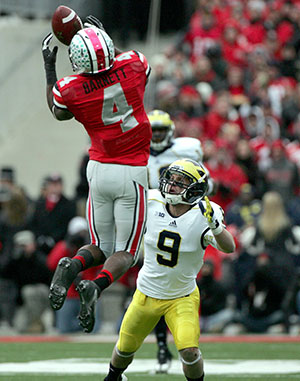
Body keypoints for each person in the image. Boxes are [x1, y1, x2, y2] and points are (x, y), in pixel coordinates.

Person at [41, 15, 152, 326]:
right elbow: (134, 67)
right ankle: (95, 285)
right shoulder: (134, 63)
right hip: (131, 171)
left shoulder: (71, 88)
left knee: (99, 246)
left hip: (99, 169)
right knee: (125, 252)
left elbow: (57, 110)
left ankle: (72, 265)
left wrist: (50, 67)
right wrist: (103, 40)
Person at [98, 158, 234, 380]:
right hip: (146, 293)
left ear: (194, 188)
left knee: (190, 352)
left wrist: (217, 228)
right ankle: (113, 377)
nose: (172, 185)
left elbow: (229, 247)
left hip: (182, 297)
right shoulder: (151, 201)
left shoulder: (205, 213)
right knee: (124, 349)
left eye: (180, 181)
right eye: (171, 179)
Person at [147, 109, 216, 373]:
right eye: (152, 131)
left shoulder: (186, 149)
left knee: (180, 279)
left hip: (187, 218)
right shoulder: (138, 152)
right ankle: (163, 347)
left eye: (161, 131)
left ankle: (180, 338)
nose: (156, 137)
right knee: (153, 282)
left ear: (171, 132)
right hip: (155, 216)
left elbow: (205, 183)